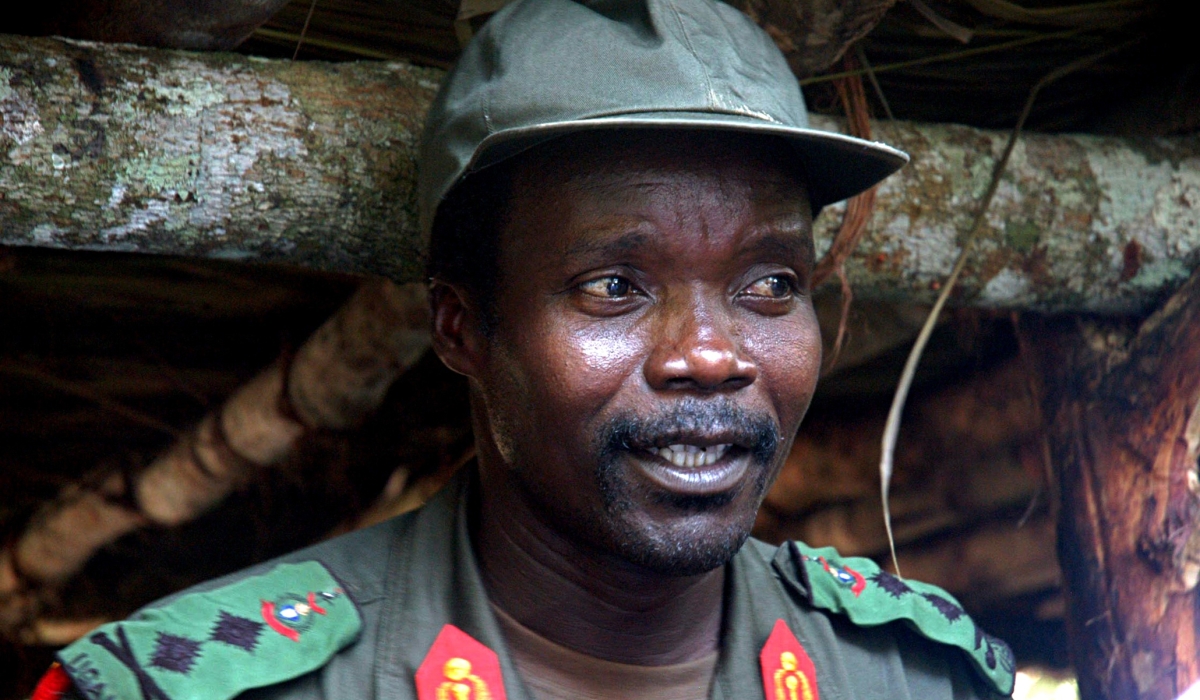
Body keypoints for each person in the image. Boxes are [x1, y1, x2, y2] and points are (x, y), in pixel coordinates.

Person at [35, 1, 1015, 699]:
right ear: (461, 327)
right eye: (615, 286)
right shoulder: (182, 684)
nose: (712, 355)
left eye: (769, 285)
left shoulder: (922, 674)